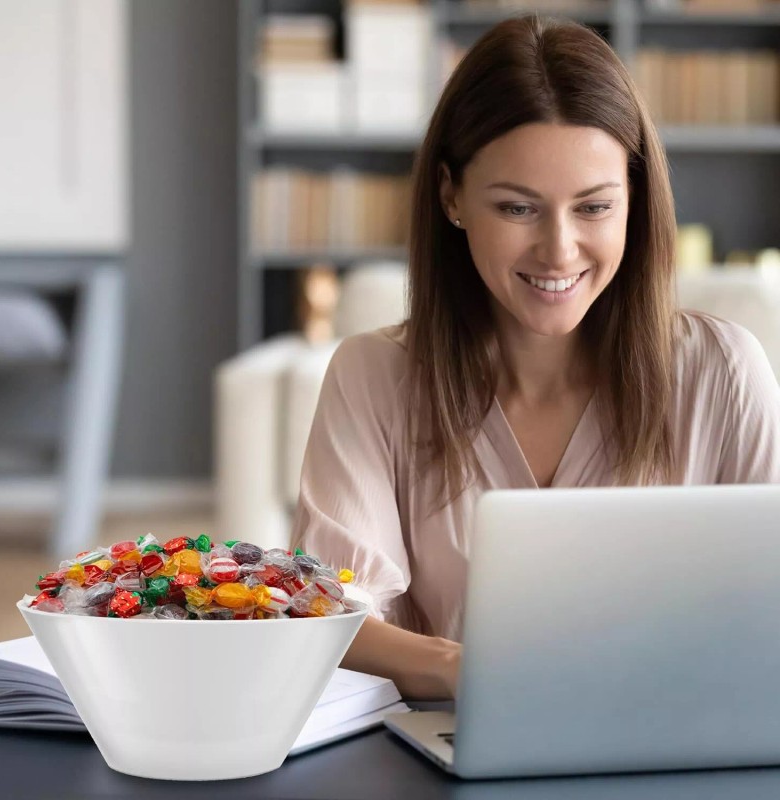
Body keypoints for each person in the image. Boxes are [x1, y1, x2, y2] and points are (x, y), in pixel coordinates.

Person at [288, 14, 780, 700]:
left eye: (594, 207)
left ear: (635, 200)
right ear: (451, 196)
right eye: (519, 209)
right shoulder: (374, 376)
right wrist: (476, 673)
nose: (559, 250)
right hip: (447, 751)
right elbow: (331, 616)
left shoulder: (724, 373)